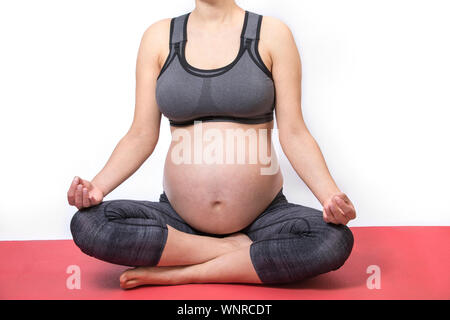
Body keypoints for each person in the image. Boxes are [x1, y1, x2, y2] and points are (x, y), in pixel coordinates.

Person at [68, 0, 356, 289]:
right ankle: (234, 253)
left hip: (264, 217)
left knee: (333, 239)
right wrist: (98, 187)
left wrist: (330, 197)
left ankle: (183, 272)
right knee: (90, 224)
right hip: (178, 219)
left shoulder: (272, 34)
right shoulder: (158, 37)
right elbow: (141, 135)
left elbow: (294, 133)